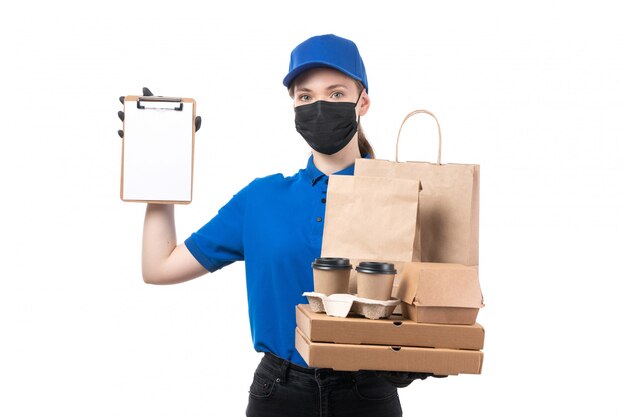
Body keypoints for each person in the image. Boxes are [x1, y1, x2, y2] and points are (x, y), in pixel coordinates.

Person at [118, 34, 435, 417]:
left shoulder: (401, 196)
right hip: (280, 393)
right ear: (294, 107)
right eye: (305, 96)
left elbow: (434, 298)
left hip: (367, 392)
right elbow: (159, 267)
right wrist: (160, 173)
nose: (319, 105)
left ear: (362, 101)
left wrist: (424, 347)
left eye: (336, 94)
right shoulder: (261, 199)